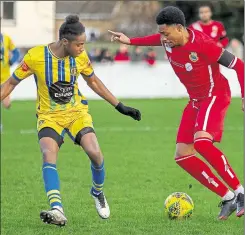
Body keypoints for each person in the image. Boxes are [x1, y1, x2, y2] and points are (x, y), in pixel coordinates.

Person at [0, 15, 141, 227]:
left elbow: (93, 81)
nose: (82, 48)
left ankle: (97, 192)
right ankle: (57, 208)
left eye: (84, 43)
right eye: (79, 44)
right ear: (65, 42)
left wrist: (119, 106)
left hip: (76, 113)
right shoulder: (36, 56)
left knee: (95, 153)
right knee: (48, 154)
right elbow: (11, 83)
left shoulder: (81, 57)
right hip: (49, 116)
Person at [108, 6, 244, 220]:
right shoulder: (168, 39)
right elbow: (154, 38)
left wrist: (244, 97)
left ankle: (240, 191)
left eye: (166, 33)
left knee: (201, 143)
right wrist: (130, 41)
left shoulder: (204, 45)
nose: (163, 38)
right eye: (161, 33)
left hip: (215, 95)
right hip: (196, 101)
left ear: (180, 28)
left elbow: (240, 66)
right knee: (183, 155)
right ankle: (227, 197)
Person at [0, 33, 20, 109]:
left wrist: (11, 61)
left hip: (5, 77)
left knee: (7, 104)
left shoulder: (6, 38)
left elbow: (16, 53)